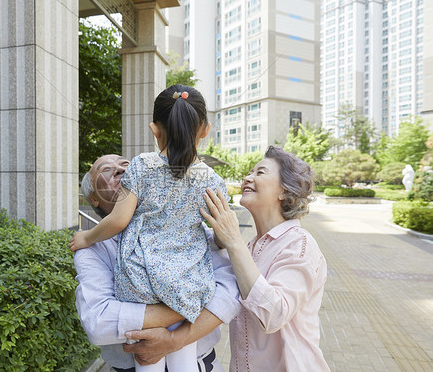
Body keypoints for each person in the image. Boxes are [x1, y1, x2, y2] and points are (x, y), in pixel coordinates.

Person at [70, 85, 229, 371]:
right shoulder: (212, 180)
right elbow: (222, 234)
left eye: (120, 166)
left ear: (155, 129)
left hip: (139, 281)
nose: (120, 170)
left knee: (147, 358)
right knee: (184, 357)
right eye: (106, 171)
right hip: (189, 282)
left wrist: (86, 236)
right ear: (204, 130)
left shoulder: (142, 166)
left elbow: (118, 221)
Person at [75, 154, 241, 372]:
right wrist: (189, 302)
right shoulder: (93, 248)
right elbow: (99, 322)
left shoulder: (187, 227)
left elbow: (230, 290)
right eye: (106, 169)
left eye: (126, 164)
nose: (120, 169)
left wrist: (176, 339)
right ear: (94, 198)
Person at [201, 146, 331, 372]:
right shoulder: (250, 247)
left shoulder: (299, 244)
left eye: (260, 173)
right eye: (250, 172)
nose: (247, 178)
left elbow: (274, 314)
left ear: (284, 190)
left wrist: (233, 241)